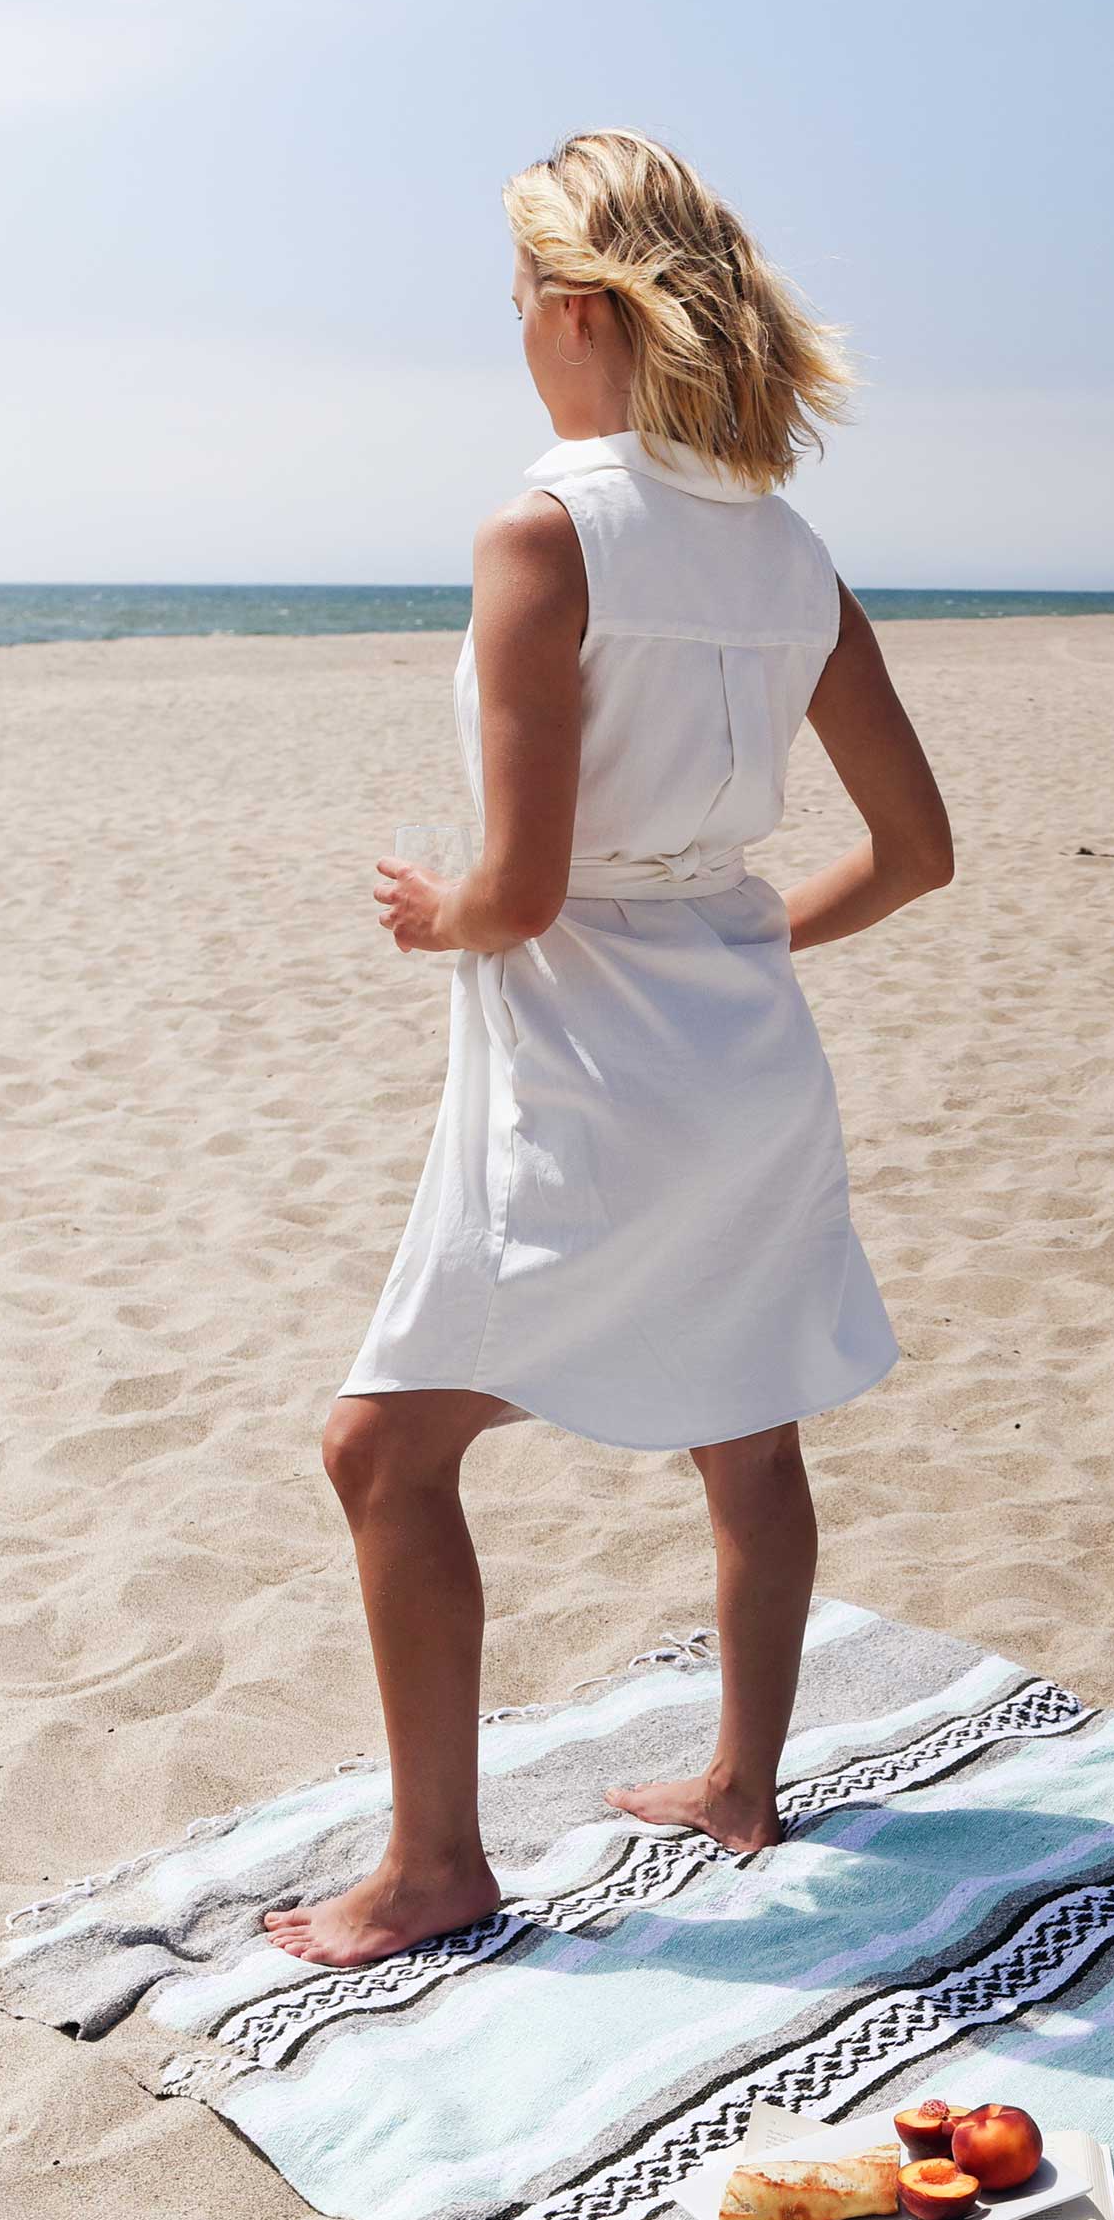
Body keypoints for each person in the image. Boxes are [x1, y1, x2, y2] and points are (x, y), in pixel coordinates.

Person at [265, 131, 950, 1971]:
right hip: (744, 1044)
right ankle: (740, 1782)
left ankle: (431, 1870)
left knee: (380, 1455)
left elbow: (523, 885)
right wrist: (733, 948)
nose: (513, 337)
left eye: (512, 305)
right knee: (746, 1418)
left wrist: (441, 911)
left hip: (582, 1060)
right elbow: (915, 853)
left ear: (571, 310)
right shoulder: (790, 549)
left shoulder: (543, 529)